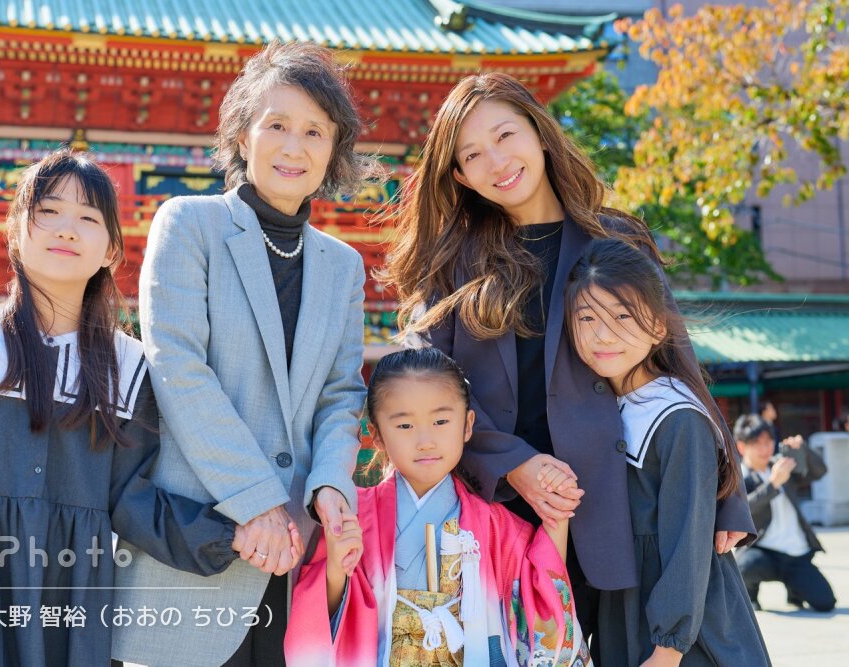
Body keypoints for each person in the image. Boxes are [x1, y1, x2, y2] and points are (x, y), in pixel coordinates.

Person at [380, 71, 755, 643]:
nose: (497, 161)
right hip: (493, 508)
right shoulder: (454, 262)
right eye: (473, 155)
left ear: (539, 128)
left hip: (610, 504)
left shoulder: (615, 238)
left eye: (506, 135)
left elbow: (675, 361)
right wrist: (515, 464)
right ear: (458, 175)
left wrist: (726, 496)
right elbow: (429, 389)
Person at [0, 150, 248, 666]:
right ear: (16, 231)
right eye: (49, 211)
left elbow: (129, 498)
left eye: (88, 218)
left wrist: (233, 537)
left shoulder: (127, 367)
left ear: (110, 249)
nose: (67, 229)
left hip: (74, 596)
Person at [112, 41, 380, 667]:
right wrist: (257, 499)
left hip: (299, 558)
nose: (295, 146)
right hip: (202, 543)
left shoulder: (342, 266)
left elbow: (343, 391)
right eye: (277, 124)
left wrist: (332, 485)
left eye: (315, 131)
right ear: (241, 134)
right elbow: (177, 366)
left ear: (333, 150)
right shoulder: (190, 224)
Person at [286, 348, 591, 666]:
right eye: (405, 426)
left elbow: (541, 607)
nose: (426, 440)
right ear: (375, 435)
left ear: (468, 425)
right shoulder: (351, 517)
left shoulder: (498, 528)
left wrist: (556, 516)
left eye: (441, 420)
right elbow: (320, 618)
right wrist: (337, 568)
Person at [565, 239, 769, 666]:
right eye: (587, 318)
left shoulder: (677, 416)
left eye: (622, 316)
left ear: (658, 327)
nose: (603, 334)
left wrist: (668, 648)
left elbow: (688, 543)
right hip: (624, 612)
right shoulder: (599, 408)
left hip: (686, 630)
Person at [734, 414, 836, 613]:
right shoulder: (738, 476)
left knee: (826, 602)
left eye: (768, 442)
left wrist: (804, 451)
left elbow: (820, 471)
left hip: (796, 553)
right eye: (757, 443)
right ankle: (750, 592)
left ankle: (795, 589)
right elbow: (742, 509)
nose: (765, 448)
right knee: (745, 567)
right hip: (763, 553)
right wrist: (772, 485)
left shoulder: (782, 466)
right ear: (742, 446)